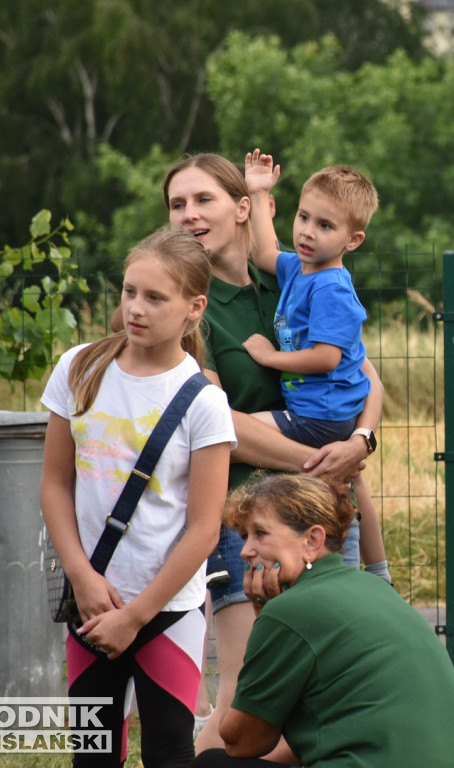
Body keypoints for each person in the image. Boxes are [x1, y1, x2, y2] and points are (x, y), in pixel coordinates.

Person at [161, 153, 385, 753]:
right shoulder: (187, 304)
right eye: (176, 205)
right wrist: (315, 459)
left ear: (243, 208)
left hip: (322, 511)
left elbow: (365, 377)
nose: (188, 215)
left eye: (202, 200)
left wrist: (361, 441)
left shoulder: (299, 275)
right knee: (244, 689)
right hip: (245, 513)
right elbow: (217, 419)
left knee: (326, 685)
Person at [40, 226, 236, 768]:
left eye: (155, 297)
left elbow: (204, 528)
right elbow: (56, 483)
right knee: (93, 751)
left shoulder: (204, 402)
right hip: (92, 603)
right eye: (130, 291)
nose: (136, 308)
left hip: (168, 609)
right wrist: (82, 578)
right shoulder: (79, 369)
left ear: (195, 307)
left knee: (170, 751)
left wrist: (138, 615)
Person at [190, 473, 454, 768]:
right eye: (243, 536)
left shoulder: (289, 611)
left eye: (260, 533)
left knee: (211, 763)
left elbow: (241, 742)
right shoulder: (374, 587)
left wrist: (265, 613)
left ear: (312, 540)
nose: (245, 551)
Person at [242, 149, 390, 582]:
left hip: (321, 415)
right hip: (321, 412)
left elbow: (327, 357)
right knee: (336, 489)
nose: (307, 232)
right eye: (303, 217)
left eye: (325, 226)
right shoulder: (301, 269)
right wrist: (257, 190)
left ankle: (356, 569)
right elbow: (265, 250)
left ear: (353, 240)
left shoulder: (331, 287)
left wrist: (271, 357)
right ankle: (374, 572)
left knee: (235, 430)